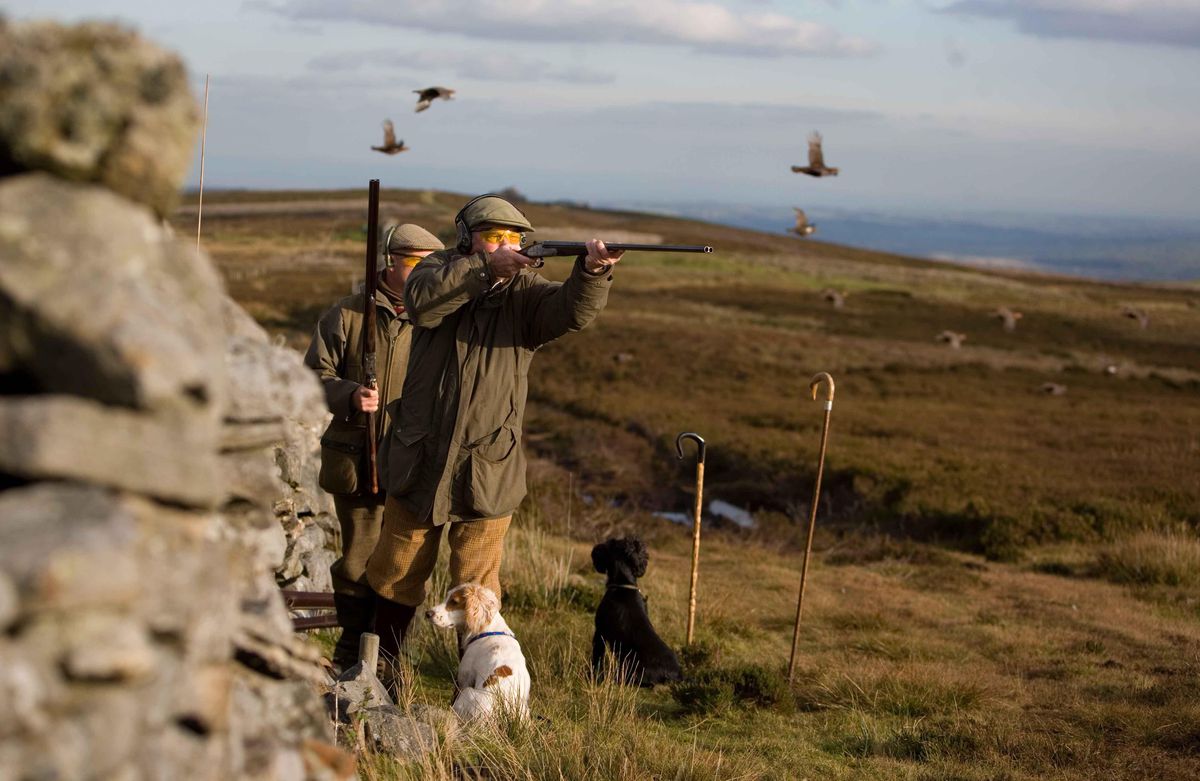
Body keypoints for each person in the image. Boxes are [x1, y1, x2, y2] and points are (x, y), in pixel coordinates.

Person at [364, 194, 624, 659]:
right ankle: (378, 670)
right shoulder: (436, 269)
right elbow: (423, 304)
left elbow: (572, 313)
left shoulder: (527, 294)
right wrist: (486, 271)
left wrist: (592, 273)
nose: (505, 245)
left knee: (479, 588)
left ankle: (477, 686)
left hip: (487, 465)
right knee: (395, 572)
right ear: (467, 240)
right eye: (493, 237)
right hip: (418, 456)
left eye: (512, 238)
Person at [303, 222, 444, 672]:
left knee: (403, 564)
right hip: (357, 461)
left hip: (413, 463)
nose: (429, 275)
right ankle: (352, 649)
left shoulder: (439, 318)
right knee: (359, 559)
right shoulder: (345, 316)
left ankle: (388, 657)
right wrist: (349, 396)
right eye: (420, 265)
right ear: (392, 264)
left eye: (434, 266)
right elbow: (310, 378)